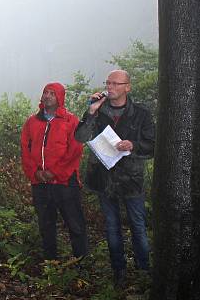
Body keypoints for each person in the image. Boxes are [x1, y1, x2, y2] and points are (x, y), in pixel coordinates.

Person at [75, 70, 155, 287]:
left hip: (131, 180)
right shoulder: (98, 111)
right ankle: (118, 270)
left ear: (127, 87)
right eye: (107, 82)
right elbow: (80, 137)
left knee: (138, 226)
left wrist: (133, 146)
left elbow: (152, 146)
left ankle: (143, 270)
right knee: (112, 226)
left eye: (115, 83)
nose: (110, 87)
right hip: (104, 179)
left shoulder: (141, 114)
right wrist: (91, 112)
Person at [20, 82, 87, 261]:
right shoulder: (32, 122)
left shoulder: (70, 121)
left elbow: (75, 151)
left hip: (65, 183)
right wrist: (35, 173)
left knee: (75, 224)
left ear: (60, 98)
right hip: (40, 184)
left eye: (52, 93)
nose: (47, 96)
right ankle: (50, 264)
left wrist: (54, 172)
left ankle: (81, 263)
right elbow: (25, 150)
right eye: (45, 92)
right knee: (46, 225)